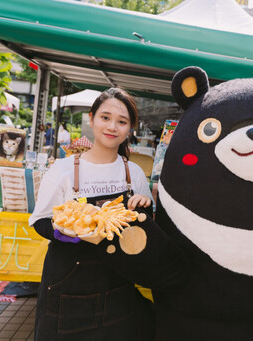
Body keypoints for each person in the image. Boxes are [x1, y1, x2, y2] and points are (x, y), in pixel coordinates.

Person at [29, 88, 155, 340]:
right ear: (91, 118)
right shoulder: (63, 170)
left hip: (118, 282)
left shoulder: (134, 174)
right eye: (105, 117)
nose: (112, 127)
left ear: (130, 128)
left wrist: (144, 209)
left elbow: (144, 230)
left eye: (122, 122)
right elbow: (40, 220)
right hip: (68, 283)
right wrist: (65, 232)